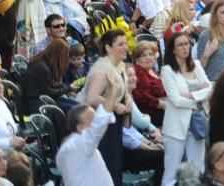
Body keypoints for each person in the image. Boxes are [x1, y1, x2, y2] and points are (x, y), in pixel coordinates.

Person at [78, 29, 133, 185]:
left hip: (113, 122)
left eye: (125, 43)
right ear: (109, 47)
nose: (125, 47)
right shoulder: (103, 68)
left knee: (115, 164)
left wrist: (127, 98)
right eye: (120, 44)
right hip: (100, 123)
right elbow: (91, 97)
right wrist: (116, 105)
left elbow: (122, 88)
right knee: (108, 165)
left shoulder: (120, 64)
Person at [161, 30, 213, 186]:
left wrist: (190, 95)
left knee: (198, 169)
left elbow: (210, 89)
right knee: (171, 172)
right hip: (176, 126)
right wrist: (199, 95)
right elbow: (175, 100)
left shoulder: (196, 65)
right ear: (173, 49)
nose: (185, 47)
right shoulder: (167, 70)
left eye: (187, 44)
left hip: (197, 123)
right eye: (180, 45)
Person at [57, 83, 123, 186]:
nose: (95, 122)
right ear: (80, 127)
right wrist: (113, 92)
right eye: (92, 120)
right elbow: (100, 124)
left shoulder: (77, 143)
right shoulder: (77, 145)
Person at [22, 37, 73, 114]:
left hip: (44, 99)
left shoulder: (44, 62)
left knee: (78, 106)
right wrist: (68, 88)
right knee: (74, 109)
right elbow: (48, 92)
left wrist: (67, 87)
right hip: (38, 102)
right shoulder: (40, 67)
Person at [131, 40, 166, 128]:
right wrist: (162, 104)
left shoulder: (152, 70)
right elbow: (142, 96)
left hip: (164, 110)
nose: (148, 58)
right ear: (137, 59)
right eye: (144, 55)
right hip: (151, 116)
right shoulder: (139, 72)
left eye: (150, 54)